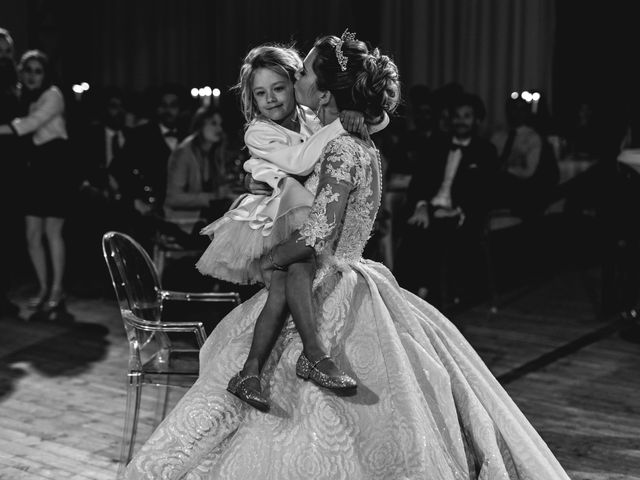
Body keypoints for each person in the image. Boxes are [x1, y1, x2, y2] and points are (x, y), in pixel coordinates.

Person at [125, 32, 570, 479]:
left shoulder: (337, 142)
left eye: (300, 74)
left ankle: (292, 363)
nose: (291, 80)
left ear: (321, 90)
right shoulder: (351, 140)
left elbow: (318, 231)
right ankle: (260, 370)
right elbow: (307, 165)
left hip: (323, 265)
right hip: (343, 265)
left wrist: (275, 257)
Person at [196, 44, 380, 410]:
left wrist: (357, 113)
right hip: (275, 212)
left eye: (279, 88)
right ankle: (312, 352)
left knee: (282, 286)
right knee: (298, 264)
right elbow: (300, 159)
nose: (271, 99)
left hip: (301, 207)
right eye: (260, 93)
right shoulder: (259, 132)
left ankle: (250, 371)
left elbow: (377, 121)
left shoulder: (312, 117)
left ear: (294, 84)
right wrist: (344, 122)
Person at [396, 93, 499, 306]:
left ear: (477, 120)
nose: (461, 121)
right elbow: (419, 181)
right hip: (431, 209)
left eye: (467, 116)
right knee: (412, 230)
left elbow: (487, 192)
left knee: (436, 232)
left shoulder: (486, 151)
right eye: (457, 116)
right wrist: (422, 206)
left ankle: (432, 296)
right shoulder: (436, 145)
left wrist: (459, 210)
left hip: (462, 215)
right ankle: (404, 295)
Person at [0, 50, 73, 318]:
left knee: (52, 232)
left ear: (46, 73)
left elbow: (30, 125)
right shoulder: (23, 96)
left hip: (55, 167)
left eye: (37, 70)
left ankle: (57, 290)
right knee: (32, 234)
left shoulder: (53, 94)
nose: (32, 75)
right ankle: (44, 288)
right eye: (27, 70)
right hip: (34, 170)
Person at [164, 103, 237, 241]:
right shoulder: (184, 152)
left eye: (220, 124)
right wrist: (212, 197)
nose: (219, 129)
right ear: (200, 126)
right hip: (182, 221)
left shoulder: (213, 151)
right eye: (213, 124)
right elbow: (173, 198)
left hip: (205, 217)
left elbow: (221, 186)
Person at [0, 28, 22, 318]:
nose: (3, 58)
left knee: (7, 236)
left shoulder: (16, 86)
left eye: (6, 53)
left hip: (13, 170)